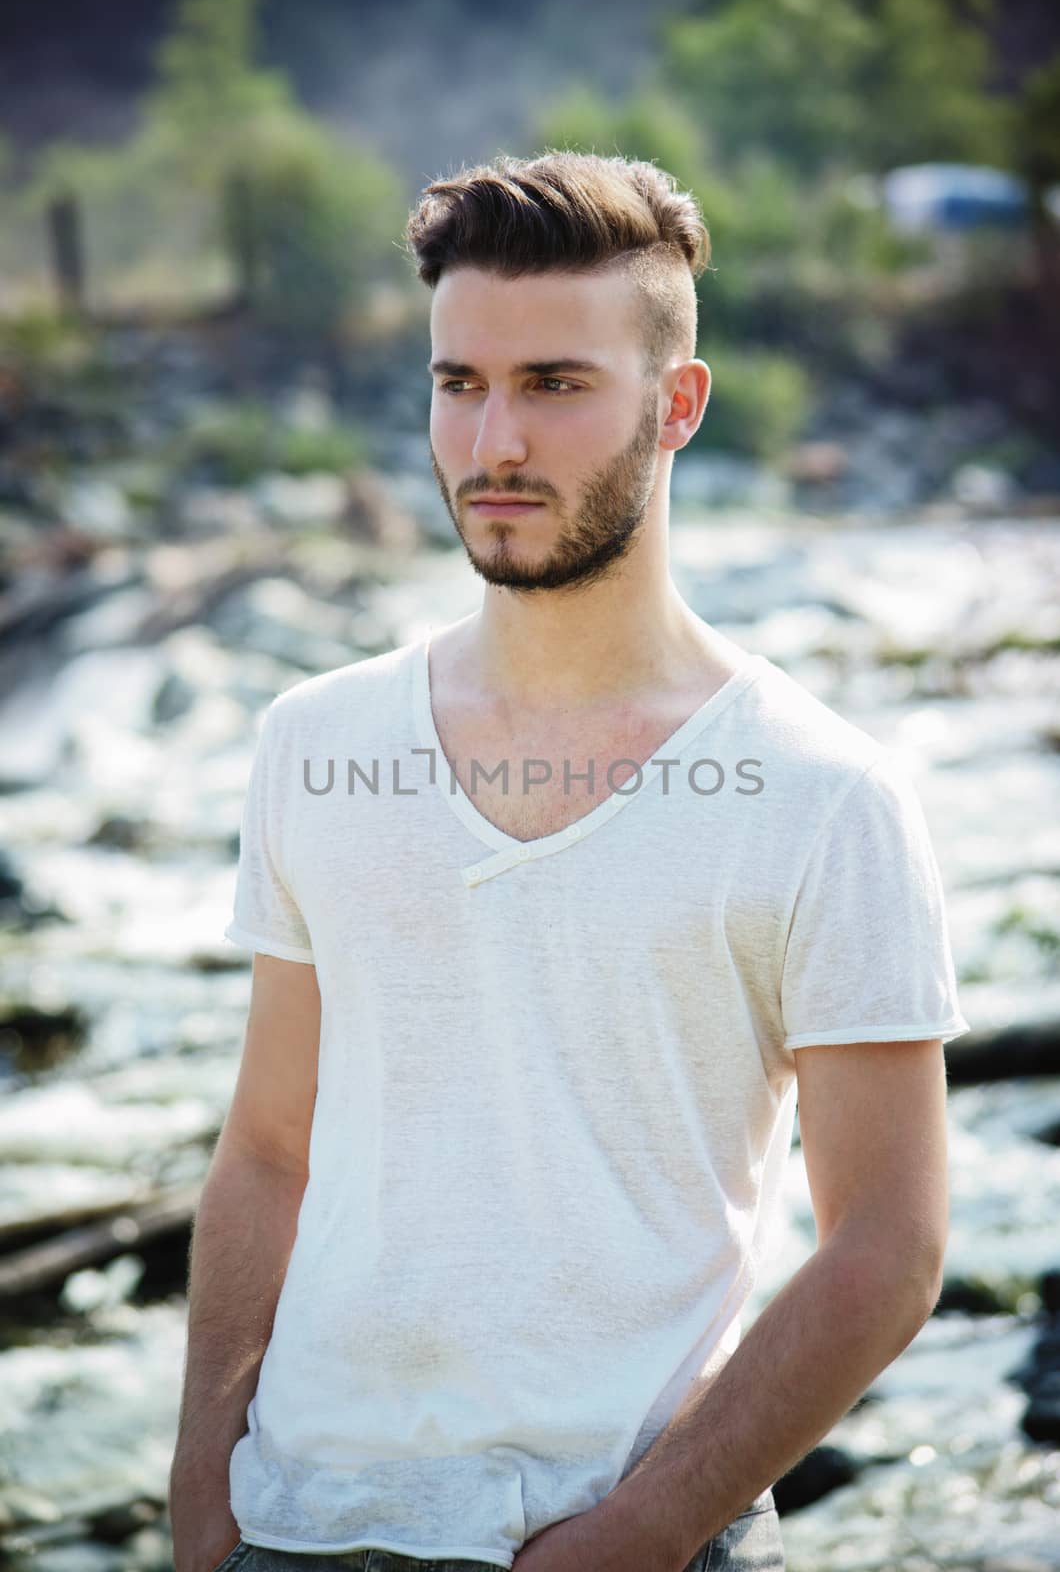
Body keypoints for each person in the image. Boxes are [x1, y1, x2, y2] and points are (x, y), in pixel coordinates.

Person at [168, 150, 970, 1572]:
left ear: (678, 407)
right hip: (294, 1524)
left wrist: (645, 1531)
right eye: (457, 384)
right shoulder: (314, 741)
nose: (492, 448)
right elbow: (269, 1152)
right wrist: (201, 1485)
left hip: (627, 1536)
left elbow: (888, 1250)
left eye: (554, 384)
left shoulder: (822, 794)